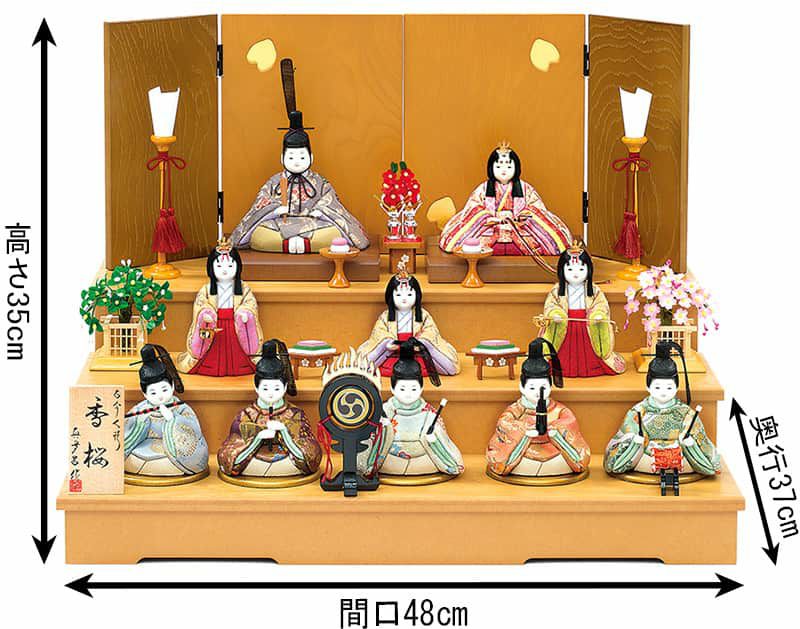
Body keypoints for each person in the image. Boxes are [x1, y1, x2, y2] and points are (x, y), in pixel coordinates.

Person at [230, 58, 369, 254]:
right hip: (279, 225)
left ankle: (294, 244)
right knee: (260, 235)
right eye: (291, 157)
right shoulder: (275, 182)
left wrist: (320, 211)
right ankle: (299, 244)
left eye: (302, 157)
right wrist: (274, 209)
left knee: (333, 234)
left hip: (314, 225)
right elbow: (259, 206)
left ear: (311, 157)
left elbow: (332, 203)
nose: (296, 162)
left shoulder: (319, 182)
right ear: (282, 158)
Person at [604, 341, 720, 478]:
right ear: (648, 387)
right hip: (648, 456)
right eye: (657, 387)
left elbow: (701, 440)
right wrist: (637, 442)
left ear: (676, 387)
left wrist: (689, 444)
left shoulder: (686, 413)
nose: (663, 392)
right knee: (635, 453)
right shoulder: (639, 411)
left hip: (678, 455)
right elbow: (625, 437)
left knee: (695, 458)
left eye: (669, 387)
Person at [438, 142, 572, 256]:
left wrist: (520, 218)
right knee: (465, 238)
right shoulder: (483, 188)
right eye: (498, 166)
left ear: (516, 168)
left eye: (508, 166)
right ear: (491, 168)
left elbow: (537, 209)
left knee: (547, 232)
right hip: (490, 227)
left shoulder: (525, 188)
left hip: (519, 228)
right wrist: (488, 218)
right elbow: (473, 209)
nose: (504, 170)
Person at [358, 337, 464, 480]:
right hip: (390, 460)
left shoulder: (429, 413)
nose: (408, 393)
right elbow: (368, 446)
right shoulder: (384, 412)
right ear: (392, 388)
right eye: (402, 388)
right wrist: (384, 431)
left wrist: (434, 439)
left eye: (413, 388)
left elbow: (450, 454)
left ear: (421, 388)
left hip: (423, 461)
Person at [217, 339, 322, 480]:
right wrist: (257, 439)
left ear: (285, 387)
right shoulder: (246, 415)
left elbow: (312, 455)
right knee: (238, 464)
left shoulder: (295, 414)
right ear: (256, 387)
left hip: (286, 461)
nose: (271, 393)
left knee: (298, 463)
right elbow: (227, 456)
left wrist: (284, 433)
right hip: (254, 462)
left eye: (276, 388)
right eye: (265, 388)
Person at [486, 338, 590, 480]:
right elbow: (505, 423)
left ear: (550, 386)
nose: (537, 392)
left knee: (560, 462)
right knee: (523, 464)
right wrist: (525, 431)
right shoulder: (516, 409)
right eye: (532, 388)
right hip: (524, 451)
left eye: (543, 387)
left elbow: (569, 423)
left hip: (555, 450)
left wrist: (554, 431)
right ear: (522, 386)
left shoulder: (559, 410)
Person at [176, 238, 263, 376]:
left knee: (237, 356)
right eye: (219, 266)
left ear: (238, 267)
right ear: (211, 268)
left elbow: (249, 303)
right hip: (214, 327)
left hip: (236, 327)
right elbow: (200, 303)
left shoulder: (243, 288)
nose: (225, 270)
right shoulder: (206, 289)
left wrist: (245, 313)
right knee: (213, 354)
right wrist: (205, 313)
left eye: (230, 266)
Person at [357, 259, 460, 376]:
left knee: (449, 366)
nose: (404, 299)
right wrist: (388, 343)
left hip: (416, 354)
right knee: (365, 364)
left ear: (417, 295)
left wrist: (421, 342)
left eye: (410, 294)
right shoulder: (385, 316)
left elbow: (431, 332)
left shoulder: (423, 315)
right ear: (391, 297)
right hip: (394, 354)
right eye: (398, 295)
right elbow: (379, 333)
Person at [539, 241, 626, 377]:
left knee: (590, 352)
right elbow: (551, 305)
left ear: (589, 270)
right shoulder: (557, 290)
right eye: (570, 269)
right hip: (564, 325)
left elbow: (600, 305)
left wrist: (598, 314)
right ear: (561, 270)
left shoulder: (594, 290)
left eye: (581, 269)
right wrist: (555, 314)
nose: (575, 274)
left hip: (587, 326)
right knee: (560, 353)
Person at [124, 344, 208, 481]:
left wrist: (172, 419)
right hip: (142, 449)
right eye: (153, 392)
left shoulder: (181, 408)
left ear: (172, 385)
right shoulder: (141, 409)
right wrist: (140, 421)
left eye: (164, 389)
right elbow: (126, 432)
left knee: (170, 462)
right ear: (144, 393)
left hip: (174, 453)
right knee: (131, 457)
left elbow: (194, 431)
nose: (160, 396)